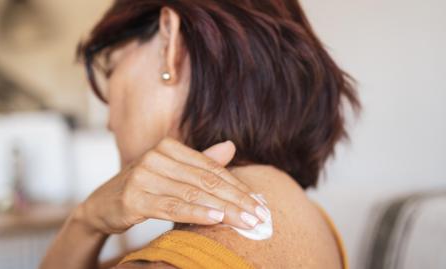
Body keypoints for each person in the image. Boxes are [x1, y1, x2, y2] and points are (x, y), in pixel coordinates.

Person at [40, 0, 361, 268]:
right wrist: (87, 222)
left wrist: (83, 223)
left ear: (169, 40)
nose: (109, 120)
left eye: (110, 66)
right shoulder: (309, 218)